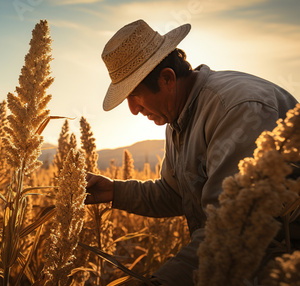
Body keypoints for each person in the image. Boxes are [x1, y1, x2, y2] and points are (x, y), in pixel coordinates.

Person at [85, 19, 299, 285]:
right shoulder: (177, 118)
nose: (132, 109)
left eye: (135, 95)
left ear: (167, 79)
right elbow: (176, 194)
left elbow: (230, 229)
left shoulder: (239, 109)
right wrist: (114, 191)